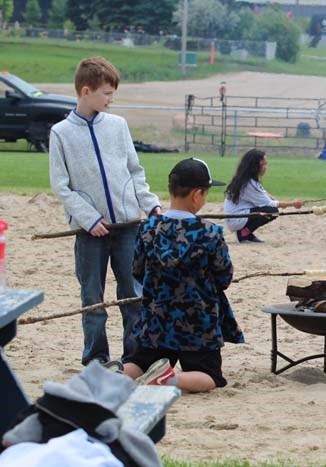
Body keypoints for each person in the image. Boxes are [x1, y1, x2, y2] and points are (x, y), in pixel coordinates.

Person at [49, 57, 161, 367]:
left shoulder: (118, 126)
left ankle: (134, 359)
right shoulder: (60, 133)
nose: (111, 100)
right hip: (90, 234)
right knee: (92, 300)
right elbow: (62, 187)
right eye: (106, 93)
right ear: (86, 91)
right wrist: (89, 219)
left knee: (134, 295)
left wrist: (150, 203)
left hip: (128, 228)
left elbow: (135, 171)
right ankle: (96, 360)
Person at [123, 158, 244, 392]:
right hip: (197, 324)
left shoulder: (148, 229)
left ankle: (120, 376)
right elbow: (224, 278)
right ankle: (169, 379)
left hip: (154, 320)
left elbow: (137, 271)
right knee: (211, 377)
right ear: (197, 195)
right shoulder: (210, 233)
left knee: (136, 364)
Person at [223, 149, 304, 243]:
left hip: (237, 216)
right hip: (236, 219)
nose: (265, 167)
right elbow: (268, 204)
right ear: (254, 166)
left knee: (269, 209)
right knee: (271, 211)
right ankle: (243, 233)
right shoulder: (249, 184)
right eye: (263, 165)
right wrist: (292, 204)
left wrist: (283, 202)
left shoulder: (247, 180)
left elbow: (264, 194)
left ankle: (246, 233)